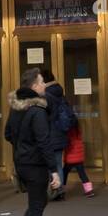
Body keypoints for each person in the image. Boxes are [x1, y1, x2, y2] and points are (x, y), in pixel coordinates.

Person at [4, 68, 61, 216]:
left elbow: (8, 134)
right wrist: (54, 170)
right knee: (37, 207)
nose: (45, 85)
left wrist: (22, 147)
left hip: (22, 163)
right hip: (35, 165)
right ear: (34, 86)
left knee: (37, 202)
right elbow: (44, 142)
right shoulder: (37, 111)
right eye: (42, 82)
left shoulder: (16, 108)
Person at [40, 67, 77, 202]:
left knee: (50, 164)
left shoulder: (46, 95)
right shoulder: (59, 91)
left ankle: (52, 191)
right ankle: (59, 191)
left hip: (49, 135)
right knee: (57, 163)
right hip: (60, 134)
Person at [61, 123, 96, 196]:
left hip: (70, 157)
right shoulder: (78, 130)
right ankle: (89, 190)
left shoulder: (67, 131)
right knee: (82, 173)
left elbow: (66, 142)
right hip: (79, 157)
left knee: (64, 173)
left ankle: (61, 189)